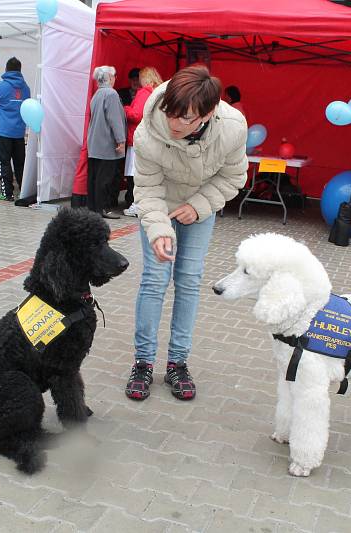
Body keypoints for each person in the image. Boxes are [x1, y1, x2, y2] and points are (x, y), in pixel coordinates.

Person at [124, 65, 248, 401]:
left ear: (207, 114)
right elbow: (147, 189)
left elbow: (233, 178)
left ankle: (178, 363)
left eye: (186, 117)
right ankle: (143, 363)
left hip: (199, 207)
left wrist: (199, 206)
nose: (174, 123)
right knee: (154, 279)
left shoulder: (233, 128)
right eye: (171, 113)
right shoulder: (147, 132)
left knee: (189, 279)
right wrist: (159, 229)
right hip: (159, 203)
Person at [0, 56, 30, 202]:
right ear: (20, 70)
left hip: (3, 131)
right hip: (19, 132)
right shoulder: (26, 88)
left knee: (3, 162)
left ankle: (7, 193)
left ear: (6, 69)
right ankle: (24, 192)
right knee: (20, 163)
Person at [86, 65, 126, 219]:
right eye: (114, 76)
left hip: (95, 143)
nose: (115, 79)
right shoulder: (111, 94)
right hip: (106, 144)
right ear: (109, 77)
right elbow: (114, 119)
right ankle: (102, 209)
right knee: (105, 179)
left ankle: (94, 208)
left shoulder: (97, 94)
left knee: (94, 178)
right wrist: (121, 140)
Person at [122, 67, 163, 217]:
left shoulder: (143, 93)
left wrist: (125, 108)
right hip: (151, 139)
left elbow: (136, 114)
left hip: (137, 139)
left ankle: (136, 205)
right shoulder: (158, 92)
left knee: (134, 175)